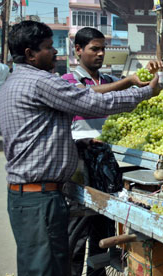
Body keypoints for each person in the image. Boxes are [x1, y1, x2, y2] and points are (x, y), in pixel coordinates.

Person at [0, 20, 163, 276]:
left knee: (42, 265)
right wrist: (144, 93)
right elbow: (91, 102)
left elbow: (34, 134)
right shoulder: (42, 82)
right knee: (48, 267)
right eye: (48, 47)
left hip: (27, 196)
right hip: (40, 199)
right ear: (30, 54)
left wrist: (74, 142)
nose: (54, 52)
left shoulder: (13, 82)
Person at [62, 27, 153, 275]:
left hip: (107, 164)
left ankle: (98, 272)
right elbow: (84, 97)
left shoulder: (110, 82)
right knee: (78, 227)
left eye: (103, 49)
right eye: (94, 49)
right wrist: (128, 82)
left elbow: (137, 100)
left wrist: (152, 79)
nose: (101, 54)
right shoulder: (67, 83)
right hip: (79, 163)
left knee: (103, 224)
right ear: (78, 50)